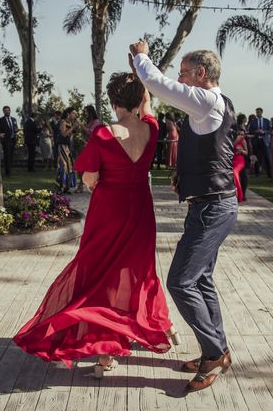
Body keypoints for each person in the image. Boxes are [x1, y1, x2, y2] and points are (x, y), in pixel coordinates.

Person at [13, 72, 176, 378]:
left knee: (99, 277)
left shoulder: (103, 134)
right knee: (136, 272)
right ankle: (156, 327)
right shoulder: (151, 130)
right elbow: (149, 107)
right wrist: (142, 70)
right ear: (139, 100)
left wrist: (96, 181)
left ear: (114, 103)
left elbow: (89, 178)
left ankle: (105, 349)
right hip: (140, 211)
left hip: (108, 212)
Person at [131, 43, 237, 393]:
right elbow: (208, 153)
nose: (180, 77)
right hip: (207, 204)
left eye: (185, 71)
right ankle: (218, 350)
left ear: (201, 75)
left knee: (180, 281)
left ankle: (213, 353)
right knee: (201, 279)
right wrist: (185, 175)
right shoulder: (208, 107)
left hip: (214, 207)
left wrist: (141, 56)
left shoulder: (206, 101)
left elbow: (158, 84)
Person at [55, 108, 80, 194]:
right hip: (62, 146)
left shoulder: (71, 123)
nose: (75, 115)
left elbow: (71, 135)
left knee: (70, 167)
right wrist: (73, 127)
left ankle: (67, 187)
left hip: (69, 147)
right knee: (63, 166)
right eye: (73, 113)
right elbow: (64, 134)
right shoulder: (63, 122)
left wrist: (76, 127)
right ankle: (60, 187)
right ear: (68, 114)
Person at [247, 107, 271, 178]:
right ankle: (257, 173)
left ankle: (269, 173)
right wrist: (255, 131)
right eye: (257, 112)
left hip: (264, 140)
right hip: (256, 140)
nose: (257, 114)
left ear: (261, 112)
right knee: (256, 157)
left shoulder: (266, 121)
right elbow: (250, 131)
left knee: (267, 157)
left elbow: (270, 130)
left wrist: (264, 132)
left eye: (259, 112)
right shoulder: (253, 121)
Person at [0, 106, 18, 177]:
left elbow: (15, 128)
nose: (7, 112)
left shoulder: (13, 119)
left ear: (10, 111)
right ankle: (7, 171)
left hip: (13, 139)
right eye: (5, 111)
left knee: (12, 155)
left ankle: (10, 169)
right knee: (7, 156)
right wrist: (0, 134)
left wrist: (16, 130)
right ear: (3, 112)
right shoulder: (1, 120)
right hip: (6, 140)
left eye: (8, 110)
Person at [232, 129, 248, 202]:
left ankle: (240, 194)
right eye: (239, 134)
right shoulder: (232, 140)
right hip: (232, 159)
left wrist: (242, 151)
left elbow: (246, 152)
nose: (241, 136)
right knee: (233, 173)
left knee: (235, 172)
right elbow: (229, 148)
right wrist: (235, 141)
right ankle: (235, 193)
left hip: (240, 160)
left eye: (242, 134)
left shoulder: (243, 141)